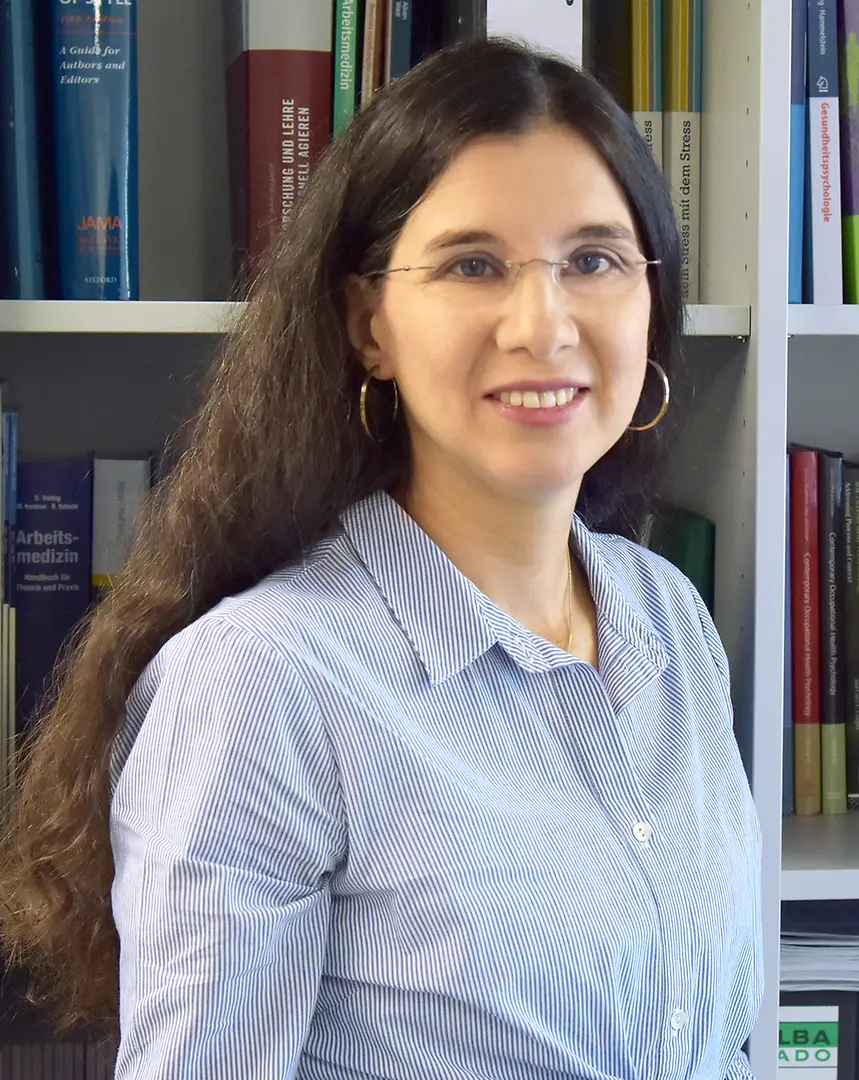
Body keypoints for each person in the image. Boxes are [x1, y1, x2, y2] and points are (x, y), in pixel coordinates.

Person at [0, 38, 763, 1079]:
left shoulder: (668, 615)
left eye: (593, 260)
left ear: (651, 302)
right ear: (370, 325)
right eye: (472, 264)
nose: (543, 326)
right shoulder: (263, 685)